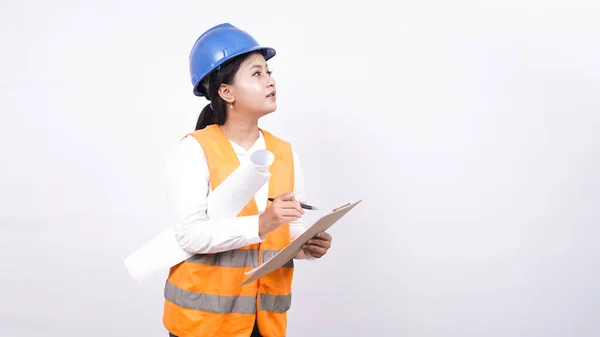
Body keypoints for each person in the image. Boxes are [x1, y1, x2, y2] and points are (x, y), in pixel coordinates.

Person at [162, 23, 333, 337]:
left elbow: (286, 228)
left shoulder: (284, 153)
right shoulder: (194, 150)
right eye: (257, 74)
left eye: (269, 72)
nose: (270, 81)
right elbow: (189, 236)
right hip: (203, 325)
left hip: (263, 322)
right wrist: (261, 222)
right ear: (226, 92)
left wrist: (306, 243)